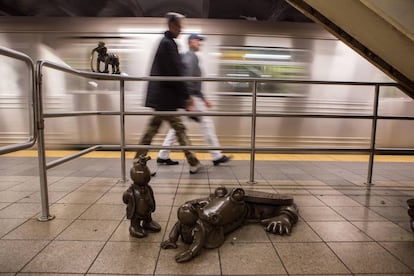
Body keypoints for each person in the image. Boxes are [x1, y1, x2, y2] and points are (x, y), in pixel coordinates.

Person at [134, 12, 202, 174]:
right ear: (172, 25)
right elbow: (175, 72)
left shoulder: (166, 43)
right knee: (178, 129)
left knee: (152, 131)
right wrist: (186, 97)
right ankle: (193, 162)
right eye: (179, 26)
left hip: (162, 97)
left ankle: (138, 164)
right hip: (165, 98)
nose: (181, 30)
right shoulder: (168, 44)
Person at [157, 33, 231, 166]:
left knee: (177, 127)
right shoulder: (191, 57)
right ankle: (216, 155)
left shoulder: (189, 57)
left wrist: (204, 98)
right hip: (191, 98)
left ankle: (163, 155)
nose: (200, 43)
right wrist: (189, 99)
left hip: (190, 97)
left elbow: (194, 81)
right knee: (206, 123)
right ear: (191, 42)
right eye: (198, 41)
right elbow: (189, 80)